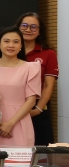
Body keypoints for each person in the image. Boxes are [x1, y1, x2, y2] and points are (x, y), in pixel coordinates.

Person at [0, 27, 42, 147]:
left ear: (21, 46)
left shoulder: (31, 68)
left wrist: (10, 123)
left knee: (19, 157)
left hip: (19, 120)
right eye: (6, 41)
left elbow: (31, 101)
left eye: (16, 42)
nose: (11, 45)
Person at [16, 12, 58, 145]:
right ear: (18, 27)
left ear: (40, 31)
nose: (28, 30)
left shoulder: (48, 53)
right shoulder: (11, 50)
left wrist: (37, 110)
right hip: (13, 104)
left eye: (33, 27)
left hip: (37, 106)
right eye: (24, 25)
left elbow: (48, 85)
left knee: (40, 148)